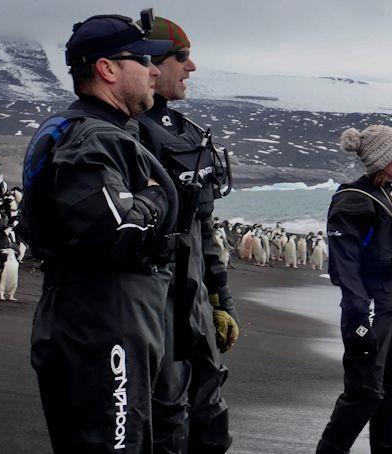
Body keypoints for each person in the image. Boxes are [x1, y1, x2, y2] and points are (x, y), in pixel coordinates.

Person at [20, 11, 180, 453]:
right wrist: (154, 199)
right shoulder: (93, 138)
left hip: (91, 315)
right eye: (142, 61)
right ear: (107, 69)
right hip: (103, 323)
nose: (153, 71)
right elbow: (116, 231)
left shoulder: (76, 130)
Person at [135, 17, 238, 453]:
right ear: (150, 64)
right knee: (164, 423)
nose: (191, 67)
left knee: (210, 422)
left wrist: (220, 300)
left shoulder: (187, 133)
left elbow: (204, 228)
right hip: (152, 308)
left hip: (194, 305)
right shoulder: (127, 133)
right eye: (181, 57)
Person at [317, 125, 392, 454]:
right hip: (372, 309)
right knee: (364, 395)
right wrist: (358, 320)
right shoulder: (353, 201)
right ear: (383, 158)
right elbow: (345, 268)